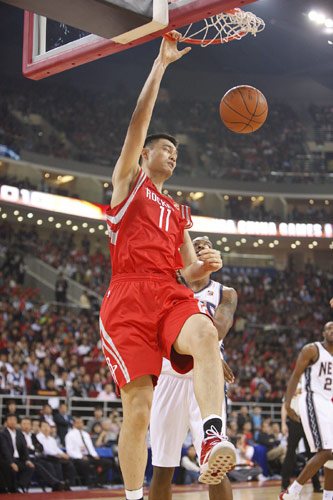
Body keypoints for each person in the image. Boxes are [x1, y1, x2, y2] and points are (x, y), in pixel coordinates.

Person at [100, 32, 236, 500]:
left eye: (176, 152)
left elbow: (190, 273)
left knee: (204, 332)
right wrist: (160, 65)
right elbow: (138, 122)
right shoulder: (128, 182)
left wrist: (205, 267)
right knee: (138, 409)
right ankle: (134, 497)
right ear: (144, 156)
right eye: (164, 148)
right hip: (127, 297)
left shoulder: (178, 212)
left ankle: (213, 436)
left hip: (167, 291)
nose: (172, 153)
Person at [149, 236, 237, 500]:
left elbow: (220, 328)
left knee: (216, 465)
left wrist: (205, 351)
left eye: (207, 245)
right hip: (168, 376)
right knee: (162, 469)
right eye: (195, 245)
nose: (202, 248)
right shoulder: (168, 285)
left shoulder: (225, 293)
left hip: (206, 379)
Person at [279, 320, 333, 499]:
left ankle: (328, 496)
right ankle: (292, 492)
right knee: (324, 451)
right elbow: (295, 376)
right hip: (312, 398)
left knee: (331, 454)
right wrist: (287, 403)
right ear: (323, 333)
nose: (332, 331)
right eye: (328, 328)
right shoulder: (312, 349)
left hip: (327, 402)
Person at [280, 383, 322, 493]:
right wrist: (283, 424)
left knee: (312, 454)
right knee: (290, 452)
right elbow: (284, 405)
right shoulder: (293, 385)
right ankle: (284, 485)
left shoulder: (311, 385)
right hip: (295, 420)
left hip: (308, 421)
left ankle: (317, 485)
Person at [20, 417, 67, 491]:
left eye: (28, 424)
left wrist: (33, 449)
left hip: (35, 457)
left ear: (31, 426)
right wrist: (33, 449)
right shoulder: (19, 435)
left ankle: (59, 483)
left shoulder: (32, 435)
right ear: (20, 425)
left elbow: (40, 447)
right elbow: (25, 449)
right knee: (44, 465)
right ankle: (55, 483)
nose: (26, 426)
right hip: (25, 458)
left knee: (55, 463)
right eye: (24, 424)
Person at [65, 417, 113, 488]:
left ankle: (98, 482)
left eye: (81, 422)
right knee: (85, 463)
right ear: (73, 424)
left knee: (108, 462)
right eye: (77, 422)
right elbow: (69, 451)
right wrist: (81, 456)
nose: (80, 424)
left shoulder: (86, 434)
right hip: (77, 458)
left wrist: (95, 455)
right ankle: (88, 483)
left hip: (89, 456)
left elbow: (90, 447)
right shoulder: (69, 435)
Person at [0, 414, 35, 492]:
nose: (12, 422)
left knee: (30, 467)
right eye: (10, 420)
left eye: (14, 420)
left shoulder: (19, 433)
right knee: (10, 468)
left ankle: (19, 485)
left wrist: (27, 460)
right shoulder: (2, 433)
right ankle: (12, 487)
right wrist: (11, 462)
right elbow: (4, 450)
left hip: (18, 459)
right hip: (7, 460)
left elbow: (24, 449)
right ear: (6, 422)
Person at [36, 421, 76, 485]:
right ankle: (56, 483)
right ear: (40, 428)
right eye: (44, 427)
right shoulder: (38, 437)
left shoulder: (51, 439)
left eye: (47, 426)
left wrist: (64, 454)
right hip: (44, 457)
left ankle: (69, 483)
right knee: (53, 465)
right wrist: (59, 454)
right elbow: (45, 450)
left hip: (54, 458)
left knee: (69, 464)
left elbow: (56, 449)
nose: (46, 428)